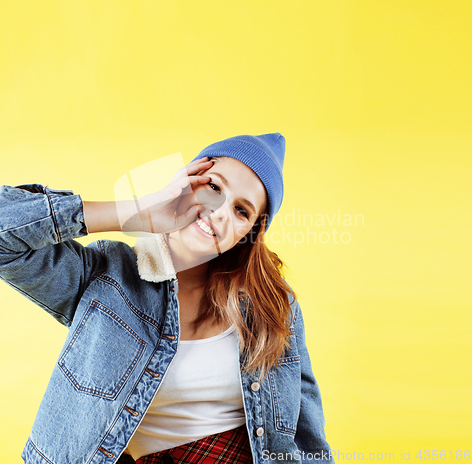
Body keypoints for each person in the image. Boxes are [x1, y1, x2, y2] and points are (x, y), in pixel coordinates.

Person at [0, 133, 333, 464]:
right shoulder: (104, 276)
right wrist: (137, 212)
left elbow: (306, 434)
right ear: (186, 182)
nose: (218, 212)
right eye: (214, 187)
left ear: (249, 234)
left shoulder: (274, 306)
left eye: (242, 211)